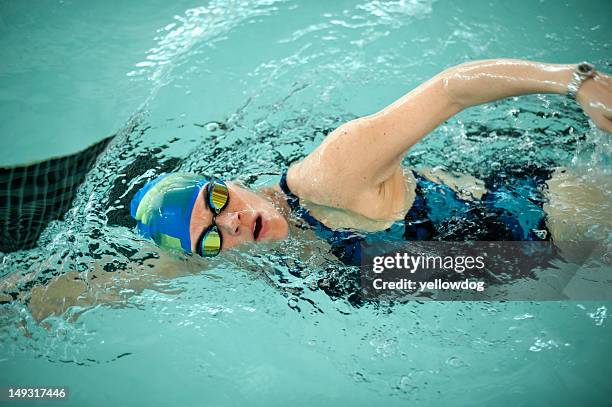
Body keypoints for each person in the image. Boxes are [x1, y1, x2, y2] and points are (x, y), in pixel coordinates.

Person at [131, 59, 611, 264]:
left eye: (218, 200)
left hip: (552, 217)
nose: (230, 222)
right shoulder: (255, 254)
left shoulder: (331, 176)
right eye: (211, 237)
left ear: (231, 181)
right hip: (536, 273)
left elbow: (452, 89)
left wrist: (577, 81)